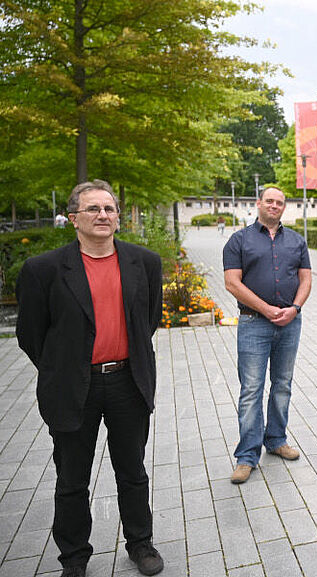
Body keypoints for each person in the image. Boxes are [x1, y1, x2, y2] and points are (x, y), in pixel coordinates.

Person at [16, 180, 164, 577]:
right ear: (74, 218)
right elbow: (31, 334)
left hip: (127, 383)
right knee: (71, 479)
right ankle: (75, 558)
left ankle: (140, 544)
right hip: (71, 388)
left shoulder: (144, 262)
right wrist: (64, 368)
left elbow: (146, 321)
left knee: (132, 471)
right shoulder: (43, 269)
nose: (103, 215)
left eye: (109, 208)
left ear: (118, 216)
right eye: (93, 209)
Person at [223, 187, 311, 484]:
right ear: (258, 203)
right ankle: (247, 456)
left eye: (280, 203)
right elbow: (232, 283)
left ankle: (276, 440)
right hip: (253, 324)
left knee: (282, 385)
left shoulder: (297, 241)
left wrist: (295, 308)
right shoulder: (239, 240)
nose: (274, 206)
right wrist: (267, 309)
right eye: (269, 201)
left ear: (284, 208)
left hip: (290, 324)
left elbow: (306, 278)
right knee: (251, 389)